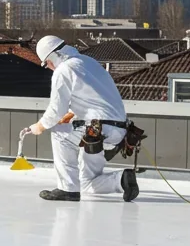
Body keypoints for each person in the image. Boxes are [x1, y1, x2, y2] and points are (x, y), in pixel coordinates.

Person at [23, 35, 140, 202]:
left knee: (59, 133)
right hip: (118, 130)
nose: (49, 67)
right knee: (86, 183)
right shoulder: (88, 62)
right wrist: (72, 113)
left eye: (47, 63)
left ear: (52, 57)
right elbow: (92, 98)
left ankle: (67, 189)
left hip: (97, 128)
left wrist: (40, 126)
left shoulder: (64, 69)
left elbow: (56, 110)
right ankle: (121, 179)